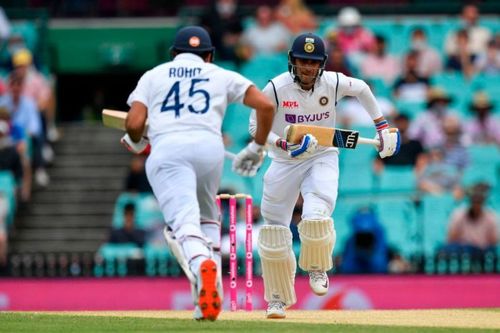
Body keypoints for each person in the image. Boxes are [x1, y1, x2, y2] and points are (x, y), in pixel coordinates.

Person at [121, 26, 274, 321]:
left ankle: (202, 263)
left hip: (169, 149)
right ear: (208, 55)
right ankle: (207, 302)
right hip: (209, 148)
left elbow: (134, 122)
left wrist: (136, 139)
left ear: (174, 54)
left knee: (183, 224)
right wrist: (256, 147)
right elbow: (266, 105)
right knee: (207, 218)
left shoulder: (154, 75)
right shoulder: (219, 74)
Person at [248, 32, 400, 319]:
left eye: (313, 62)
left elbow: (363, 89)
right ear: (293, 61)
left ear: (322, 64)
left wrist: (381, 126)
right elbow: (255, 126)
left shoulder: (333, 82)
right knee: (274, 232)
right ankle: (277, 299)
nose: (307, 67)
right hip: (284, 160)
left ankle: (317, 267)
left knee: (317, 216)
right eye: (302, 61)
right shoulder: (276, 88)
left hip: (323, 153)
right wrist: (283, 144)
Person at [445, 182, 498, 254]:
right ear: (470, 201)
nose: (476, 204)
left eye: (479, 201)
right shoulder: (458, 214)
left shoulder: (491, 217)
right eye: (474, 200)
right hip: (463, 252)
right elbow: (450, 239)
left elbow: (494, 242)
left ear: (483, 201)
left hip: (483, 253)